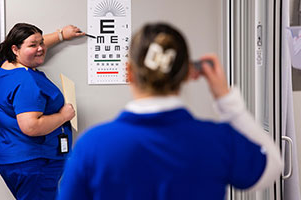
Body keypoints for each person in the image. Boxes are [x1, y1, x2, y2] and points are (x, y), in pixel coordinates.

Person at [56, 23, 283, 200]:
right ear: (188, 74)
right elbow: (273, 165)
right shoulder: (218, 139)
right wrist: (226, 99)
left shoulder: (92, 145)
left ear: (128, 72)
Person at [0, 23, 84, 200]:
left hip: (12, 156)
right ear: (15, 49)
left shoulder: (5, 68)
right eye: (33, 45)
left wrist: (61, 34)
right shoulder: (25, 81)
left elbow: (33, 43)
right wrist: (64, 116)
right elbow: (31, 126)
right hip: (34, 162)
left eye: (42, 43)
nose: (40, 49)